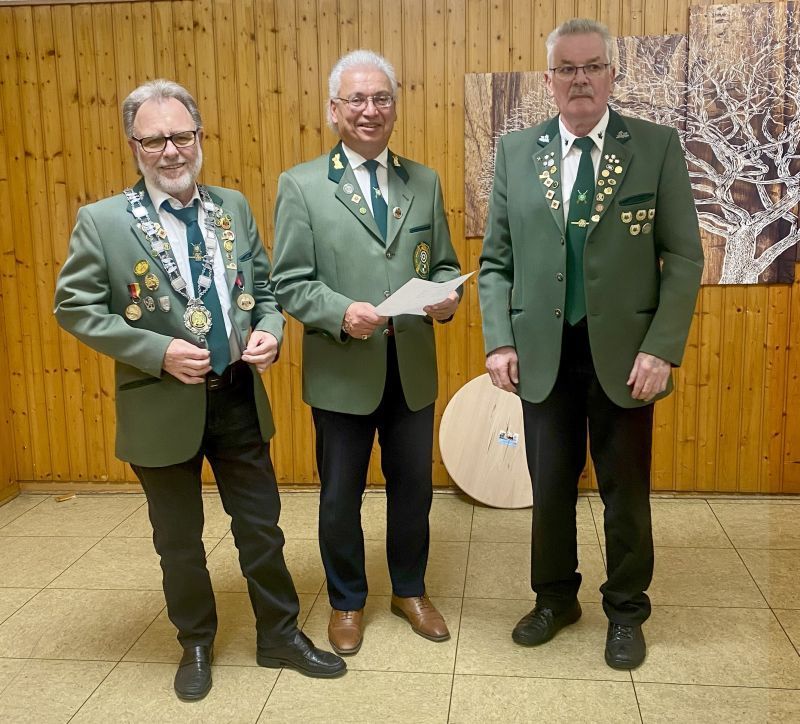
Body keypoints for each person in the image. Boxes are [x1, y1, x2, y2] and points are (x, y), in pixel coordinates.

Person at [53, 79, 345, 701]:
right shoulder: (103, 221)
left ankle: (279, 635)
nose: (170, 151)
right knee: (179, 541)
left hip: (237, 392)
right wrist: (157, 352)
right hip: (160, 403)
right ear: (134, 146)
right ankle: (195, 643)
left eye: (180, 136)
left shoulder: (231, 206)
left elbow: (266, 291)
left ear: (199, 136)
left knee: (262, 528)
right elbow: (74, 307)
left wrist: (270, 331)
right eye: (153, 140)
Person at [478, 19, 703, 670]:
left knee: (624, 492)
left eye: (592, 66)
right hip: (542, 352)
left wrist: (662, 347)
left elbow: (683, 257)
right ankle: (554, 599)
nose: (580, 79)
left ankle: (626, 610)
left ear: (611, 74)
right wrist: (499, 340)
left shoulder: (655, 147)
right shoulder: (516, 152)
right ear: (549, 79)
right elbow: (495, 261)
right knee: (549, 487)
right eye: (567, 68)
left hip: (628, 355)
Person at [270, 50, 462, 656]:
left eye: (381, 98)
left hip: (411, 368)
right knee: (339, 496)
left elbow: (446, 265)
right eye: (356, 99)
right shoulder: (302, 185)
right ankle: (346, 600)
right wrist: (338, 313)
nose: (370, 110)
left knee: (414, 491)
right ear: (334, 110)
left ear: (395, 108)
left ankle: (410, 590)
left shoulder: (423, 181)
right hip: (342, 370)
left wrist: (448, 299)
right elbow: (289, 282)